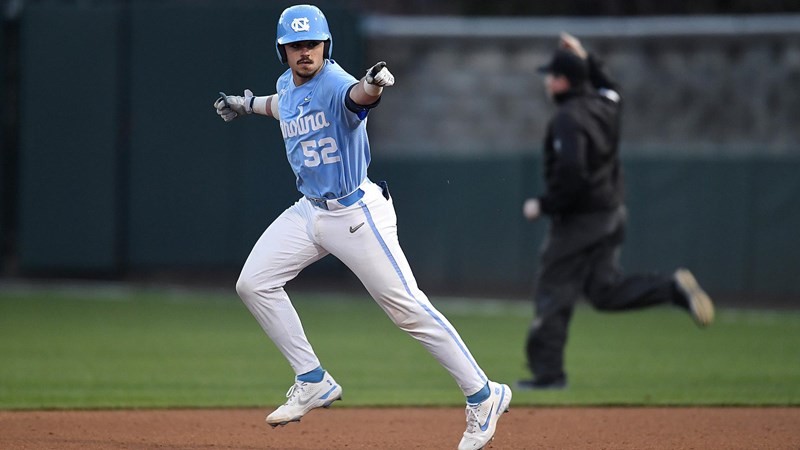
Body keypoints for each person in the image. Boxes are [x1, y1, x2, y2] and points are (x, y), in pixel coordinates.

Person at [213, 5, 511, 449]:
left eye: (312, 44)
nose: (305, 52)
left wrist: (373, 84)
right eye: (296, 46)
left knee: (408, 309)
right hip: (310, 211)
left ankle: (484, 395)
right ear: (283, 52)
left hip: (356, 213)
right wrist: (249, 105)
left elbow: (358, 97)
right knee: (254, 283)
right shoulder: (286, 85)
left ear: (326, 45)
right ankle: (312, 379)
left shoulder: (335, 83)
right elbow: (284, 105)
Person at [519, 33, 715, 390]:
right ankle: (670, 289)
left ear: (562, 81)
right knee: (604, 292)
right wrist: (586, 58)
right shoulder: (605, 105)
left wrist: (543, 205)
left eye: (552, 75)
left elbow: (573, 174)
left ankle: (548, 374)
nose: (548, 81)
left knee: (553, 288)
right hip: (612, 213)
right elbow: (612, 87)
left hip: (580, 220)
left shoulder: (568, 117)